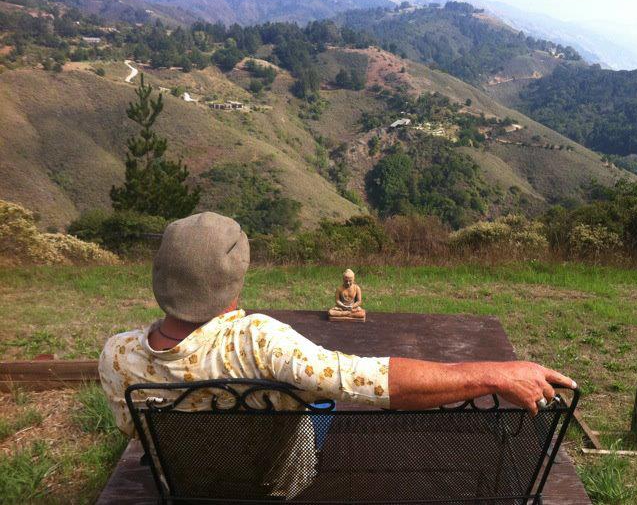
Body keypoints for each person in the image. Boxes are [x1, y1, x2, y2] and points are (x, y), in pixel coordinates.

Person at [99, 212, 576, 497]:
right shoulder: (259, 342)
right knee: (323, 400)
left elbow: (132, 430)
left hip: (186, 488)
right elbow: (373, 381)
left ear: (160, 277)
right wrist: (495, 374)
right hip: (276, 485)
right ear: (235, 278)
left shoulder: (117, 356)